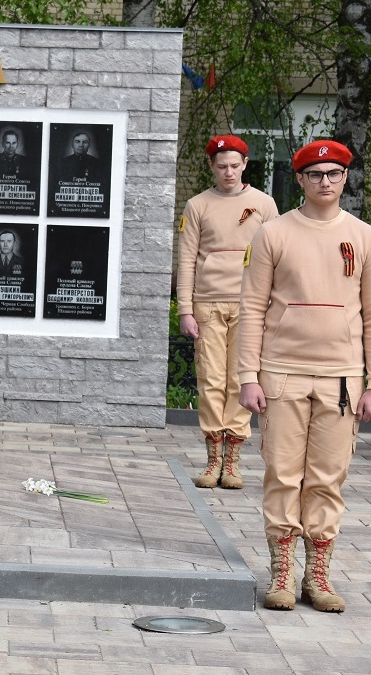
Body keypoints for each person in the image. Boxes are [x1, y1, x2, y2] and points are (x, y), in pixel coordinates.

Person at [237, 139, 370, 613]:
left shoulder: (363, 235)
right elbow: (252, 309)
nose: (325, 182)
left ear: (345, 177)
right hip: (281, 374)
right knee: (282, 475)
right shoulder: (273, 233)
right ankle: (282, 572)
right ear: (299, 179)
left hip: (342, 379)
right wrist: (248, 375)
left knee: (327, 479)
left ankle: (318, 575)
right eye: (315, 174)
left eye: (334, 174)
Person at [177, 135, 278, 490]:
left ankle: (232, 459)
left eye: (235, 165)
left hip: (251, 304)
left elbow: (277, 258)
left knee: (241, 379)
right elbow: (187, 259)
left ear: (246, 164)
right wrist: (185, 309)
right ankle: (213, 459)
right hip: (208, 304)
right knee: (210, 379)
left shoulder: (264, 204)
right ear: (211, 166)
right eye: (221, 166)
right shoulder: (197, 205)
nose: (229, 172)